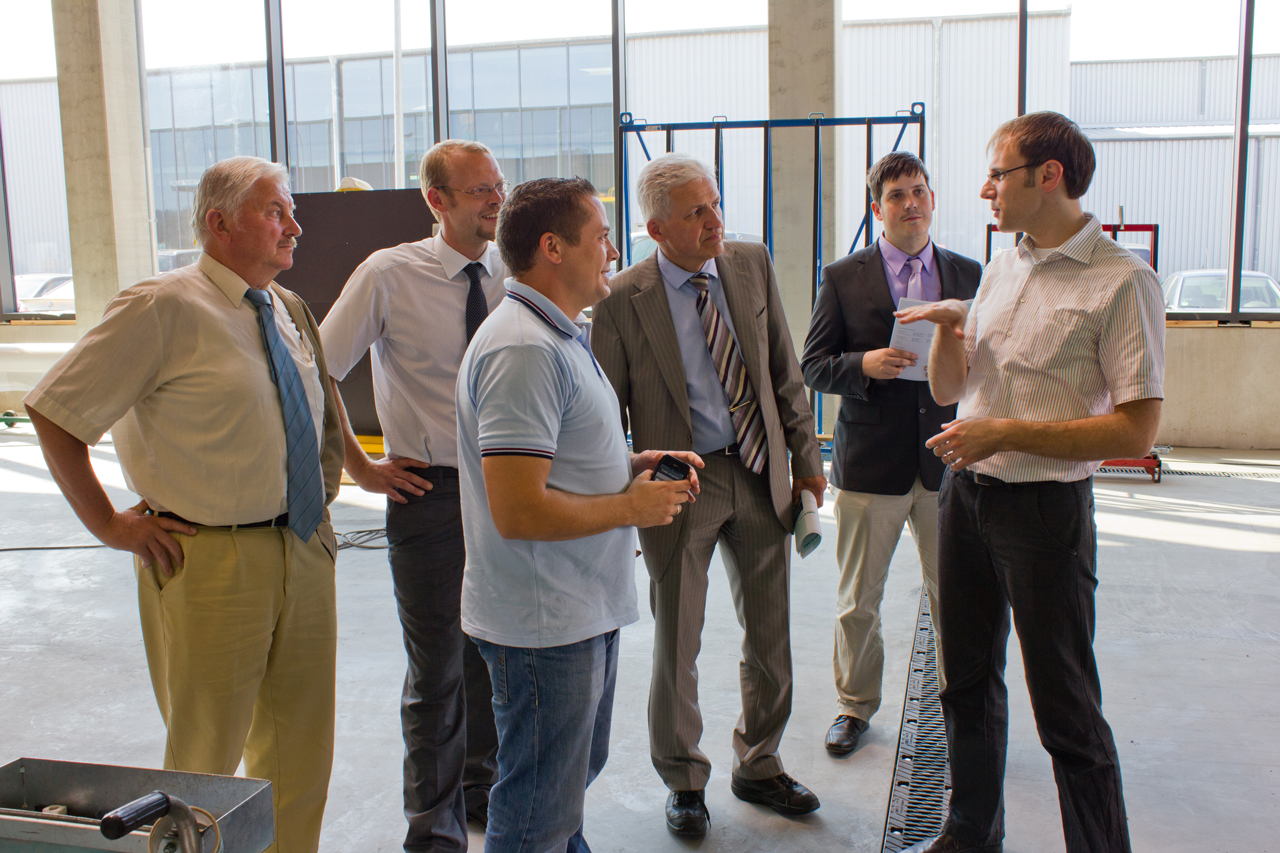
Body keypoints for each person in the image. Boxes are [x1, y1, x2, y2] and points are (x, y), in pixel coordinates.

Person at [25, 156, 344, 853]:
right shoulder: (161, 306)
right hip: (210, 558)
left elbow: (316, 419)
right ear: (218, 223)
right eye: (275, 211)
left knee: (300, 755)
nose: (295, 225)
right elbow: (55, 412)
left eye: (290, 210)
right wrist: (110, 523)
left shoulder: (286, 309)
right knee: (204, 765)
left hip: (301, 548)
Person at [897, 112, 1164, 853]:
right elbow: (955, 391)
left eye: (999, 174)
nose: (985, 189)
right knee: (966, 683)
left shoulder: (1122, 281)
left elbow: (1136, 432)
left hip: (1045, 511)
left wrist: (1006, 432)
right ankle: (971, 832)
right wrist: (953, 329)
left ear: (1050, 177)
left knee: (1067, 712)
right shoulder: (1003, 265)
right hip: (968, 498)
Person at [456, 176, 701, 853]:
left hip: (575, 608)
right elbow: (517, 506)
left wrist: (632, 462)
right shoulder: (523, 351)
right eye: (601, 238)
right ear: (553, 248)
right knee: (536, 805)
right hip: (543, 623)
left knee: (561, 786)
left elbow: (556, 459)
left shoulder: (556, 335)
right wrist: (631, 505)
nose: (614, 251)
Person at [592, 154, 827, 838]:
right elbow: (606, 410)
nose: (713, 221)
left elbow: (784, 369)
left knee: (770, 632)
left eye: (715, 204)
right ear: (656, 228)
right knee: (678, 638)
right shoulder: (621, 298)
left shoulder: (748, 264)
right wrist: (625, 489)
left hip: (758, 470)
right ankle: (684, 777)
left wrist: (806, 460)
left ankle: (760, 761)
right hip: (678, 484)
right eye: (696, 213)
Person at [319, 139, 503, 851]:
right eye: (479, 189)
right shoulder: (389, 274)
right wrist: (359, 469)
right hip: (430, 493)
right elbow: (322, 366)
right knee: (437, 671)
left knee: (494, 653)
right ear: (437, 201)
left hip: (511, 491)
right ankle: (432, 831)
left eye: (498, 186)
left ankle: (479, 788)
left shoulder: (514, 274)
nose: (494, 199)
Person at [800, 151, 981, 757]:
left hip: (948, 457)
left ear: (933, 200)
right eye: (898, 194)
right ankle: (854, 707)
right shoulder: (843, 276)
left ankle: (962, 706)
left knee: (953, 594)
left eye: (919, 191)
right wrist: (864, 365)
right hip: (870, 462)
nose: (911, 203)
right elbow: (813, 364)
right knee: (859, 599)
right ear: (878, 208)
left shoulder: (968, 274)